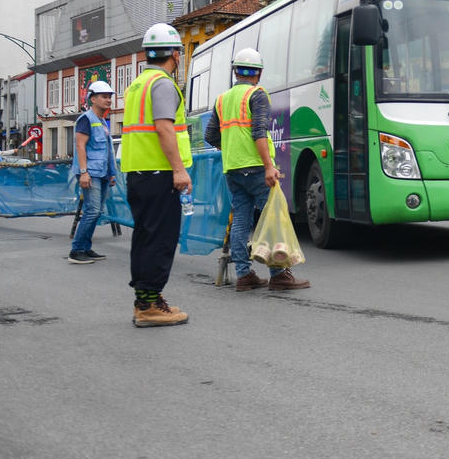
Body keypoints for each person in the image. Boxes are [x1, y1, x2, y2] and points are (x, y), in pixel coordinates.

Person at [205, 47, 310, 292]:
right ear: (258, 73)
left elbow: (210, 135)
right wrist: (268, 166)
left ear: (235, 72)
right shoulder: (257, 95)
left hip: (232, 168)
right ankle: (279, 274)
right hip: (255, 167)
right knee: (271, 219)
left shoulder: (222, 99)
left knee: (241, 219)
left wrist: (231, 147)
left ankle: (244, 275)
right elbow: (258, 132)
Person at [121, 23, 192, 327]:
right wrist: (179, 169)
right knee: (160, 239)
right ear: (175, 54)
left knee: (145, 236)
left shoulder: (137, 85)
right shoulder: (162, 84)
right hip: (158, 173)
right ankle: (149, 305)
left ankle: (146, 300)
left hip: (138, 172)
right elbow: (164, 128)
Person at [68, 80, 118, 264]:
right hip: (91, 173)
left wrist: (111, 173)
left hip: (102, 173)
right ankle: (76, 251)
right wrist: (84, 172)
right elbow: (80, 146)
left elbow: (107, 150)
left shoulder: (102, 122)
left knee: (96, 212)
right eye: (104, 97)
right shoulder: (86, 119)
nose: (108, 100)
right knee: (92, 211)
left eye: (109, 97)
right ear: (93, 99)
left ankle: (85, 248)